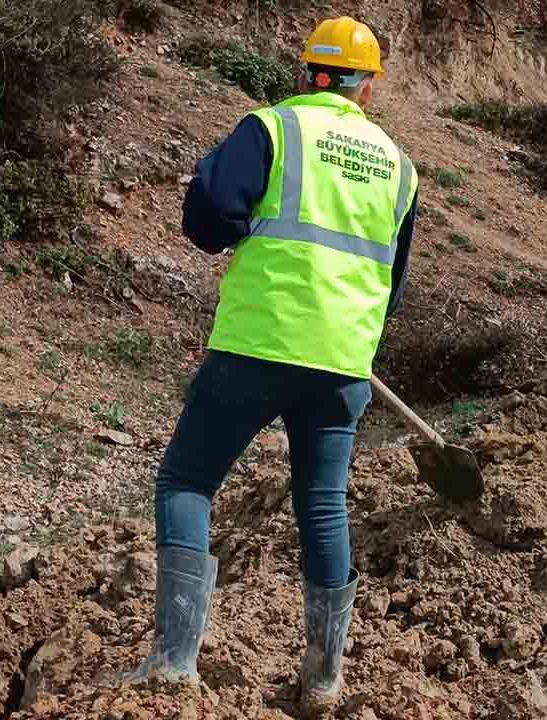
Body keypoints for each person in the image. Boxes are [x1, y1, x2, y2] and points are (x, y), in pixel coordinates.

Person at [118, 17, 417, 717]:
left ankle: (173, 665)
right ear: (367, 86)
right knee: (322, 504)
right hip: (342, 359)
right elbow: (392, 287)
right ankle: (322, 682)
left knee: (188, 481)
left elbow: (210, 216)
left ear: (306, 70)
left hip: (258, 344)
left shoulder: (274, 129)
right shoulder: (399, 166)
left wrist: (235, 231)